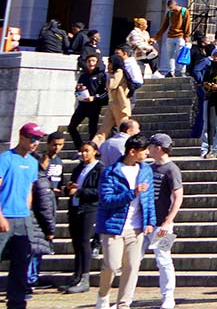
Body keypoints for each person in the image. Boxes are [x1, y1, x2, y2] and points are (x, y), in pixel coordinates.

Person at [95, 132, 158, 309]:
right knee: (112, 265)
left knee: (132, 266)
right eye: (144, 150)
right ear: (132, 151)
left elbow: (149, 198)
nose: (147, 153)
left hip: (136, 227)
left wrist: (150, 222)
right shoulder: (111, 172)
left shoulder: (145, 170)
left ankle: (123, 304)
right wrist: (132, 193)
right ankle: (103, 295)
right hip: (113, 225)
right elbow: (106, 200)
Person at [0, 123, 44, 309]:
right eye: (32, 138)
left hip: (22, 218)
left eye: (38, 139)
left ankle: (17, 303)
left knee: (22, 262)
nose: (35, 142)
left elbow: (29, 189)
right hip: (2, 215)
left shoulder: (34, 162)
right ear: (22, 137)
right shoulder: (5, 159)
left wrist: (26, 211)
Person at [59, 139, 102, 294]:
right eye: (82, 151)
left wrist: (79, 192)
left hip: (89, 209)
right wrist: (68, 188)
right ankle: (77, 275)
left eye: (87, 151)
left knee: (84, 242)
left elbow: (100, 192)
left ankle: (85, 277)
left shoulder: (99, 169)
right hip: (75, 208)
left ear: (95, 151)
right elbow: (71, 187)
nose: (83, 154)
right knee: (76, 243)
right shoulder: (79, 168)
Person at [145, 134, 183, 309]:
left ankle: (168, 296)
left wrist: (169, 220)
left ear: (158, 148)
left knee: (164, 258)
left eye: (151, 146)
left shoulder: (171, 169)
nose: (148, 149)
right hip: (146, 222)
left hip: (163, 223)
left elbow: (178, 195)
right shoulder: (148, 168)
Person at [68, 54, 109, 150]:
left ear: (97, 62)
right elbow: (78, 89)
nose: (91, 63)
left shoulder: (102, 75)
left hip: (94, 106)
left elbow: (106, 92)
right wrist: (78, 92)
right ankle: (80, 147)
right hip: (83, 105)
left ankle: (92, 150)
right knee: (72, 127)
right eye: (89, 61)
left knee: (92, 129)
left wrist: (94, 98)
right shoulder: (83, 76)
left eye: (93, 61)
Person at [153, 0, 192, 77]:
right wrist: (156, 38)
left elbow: (188, 24)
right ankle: (171, 71)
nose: (171, 10)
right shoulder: (170, 13)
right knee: (170, 56)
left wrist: (187, 36)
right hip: (170, 36)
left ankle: (181, 72)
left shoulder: (184, 11)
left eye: (171, 8)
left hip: (180, 36)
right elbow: (164, 26)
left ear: (175, 5)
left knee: (181, 55)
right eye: (169, 8)